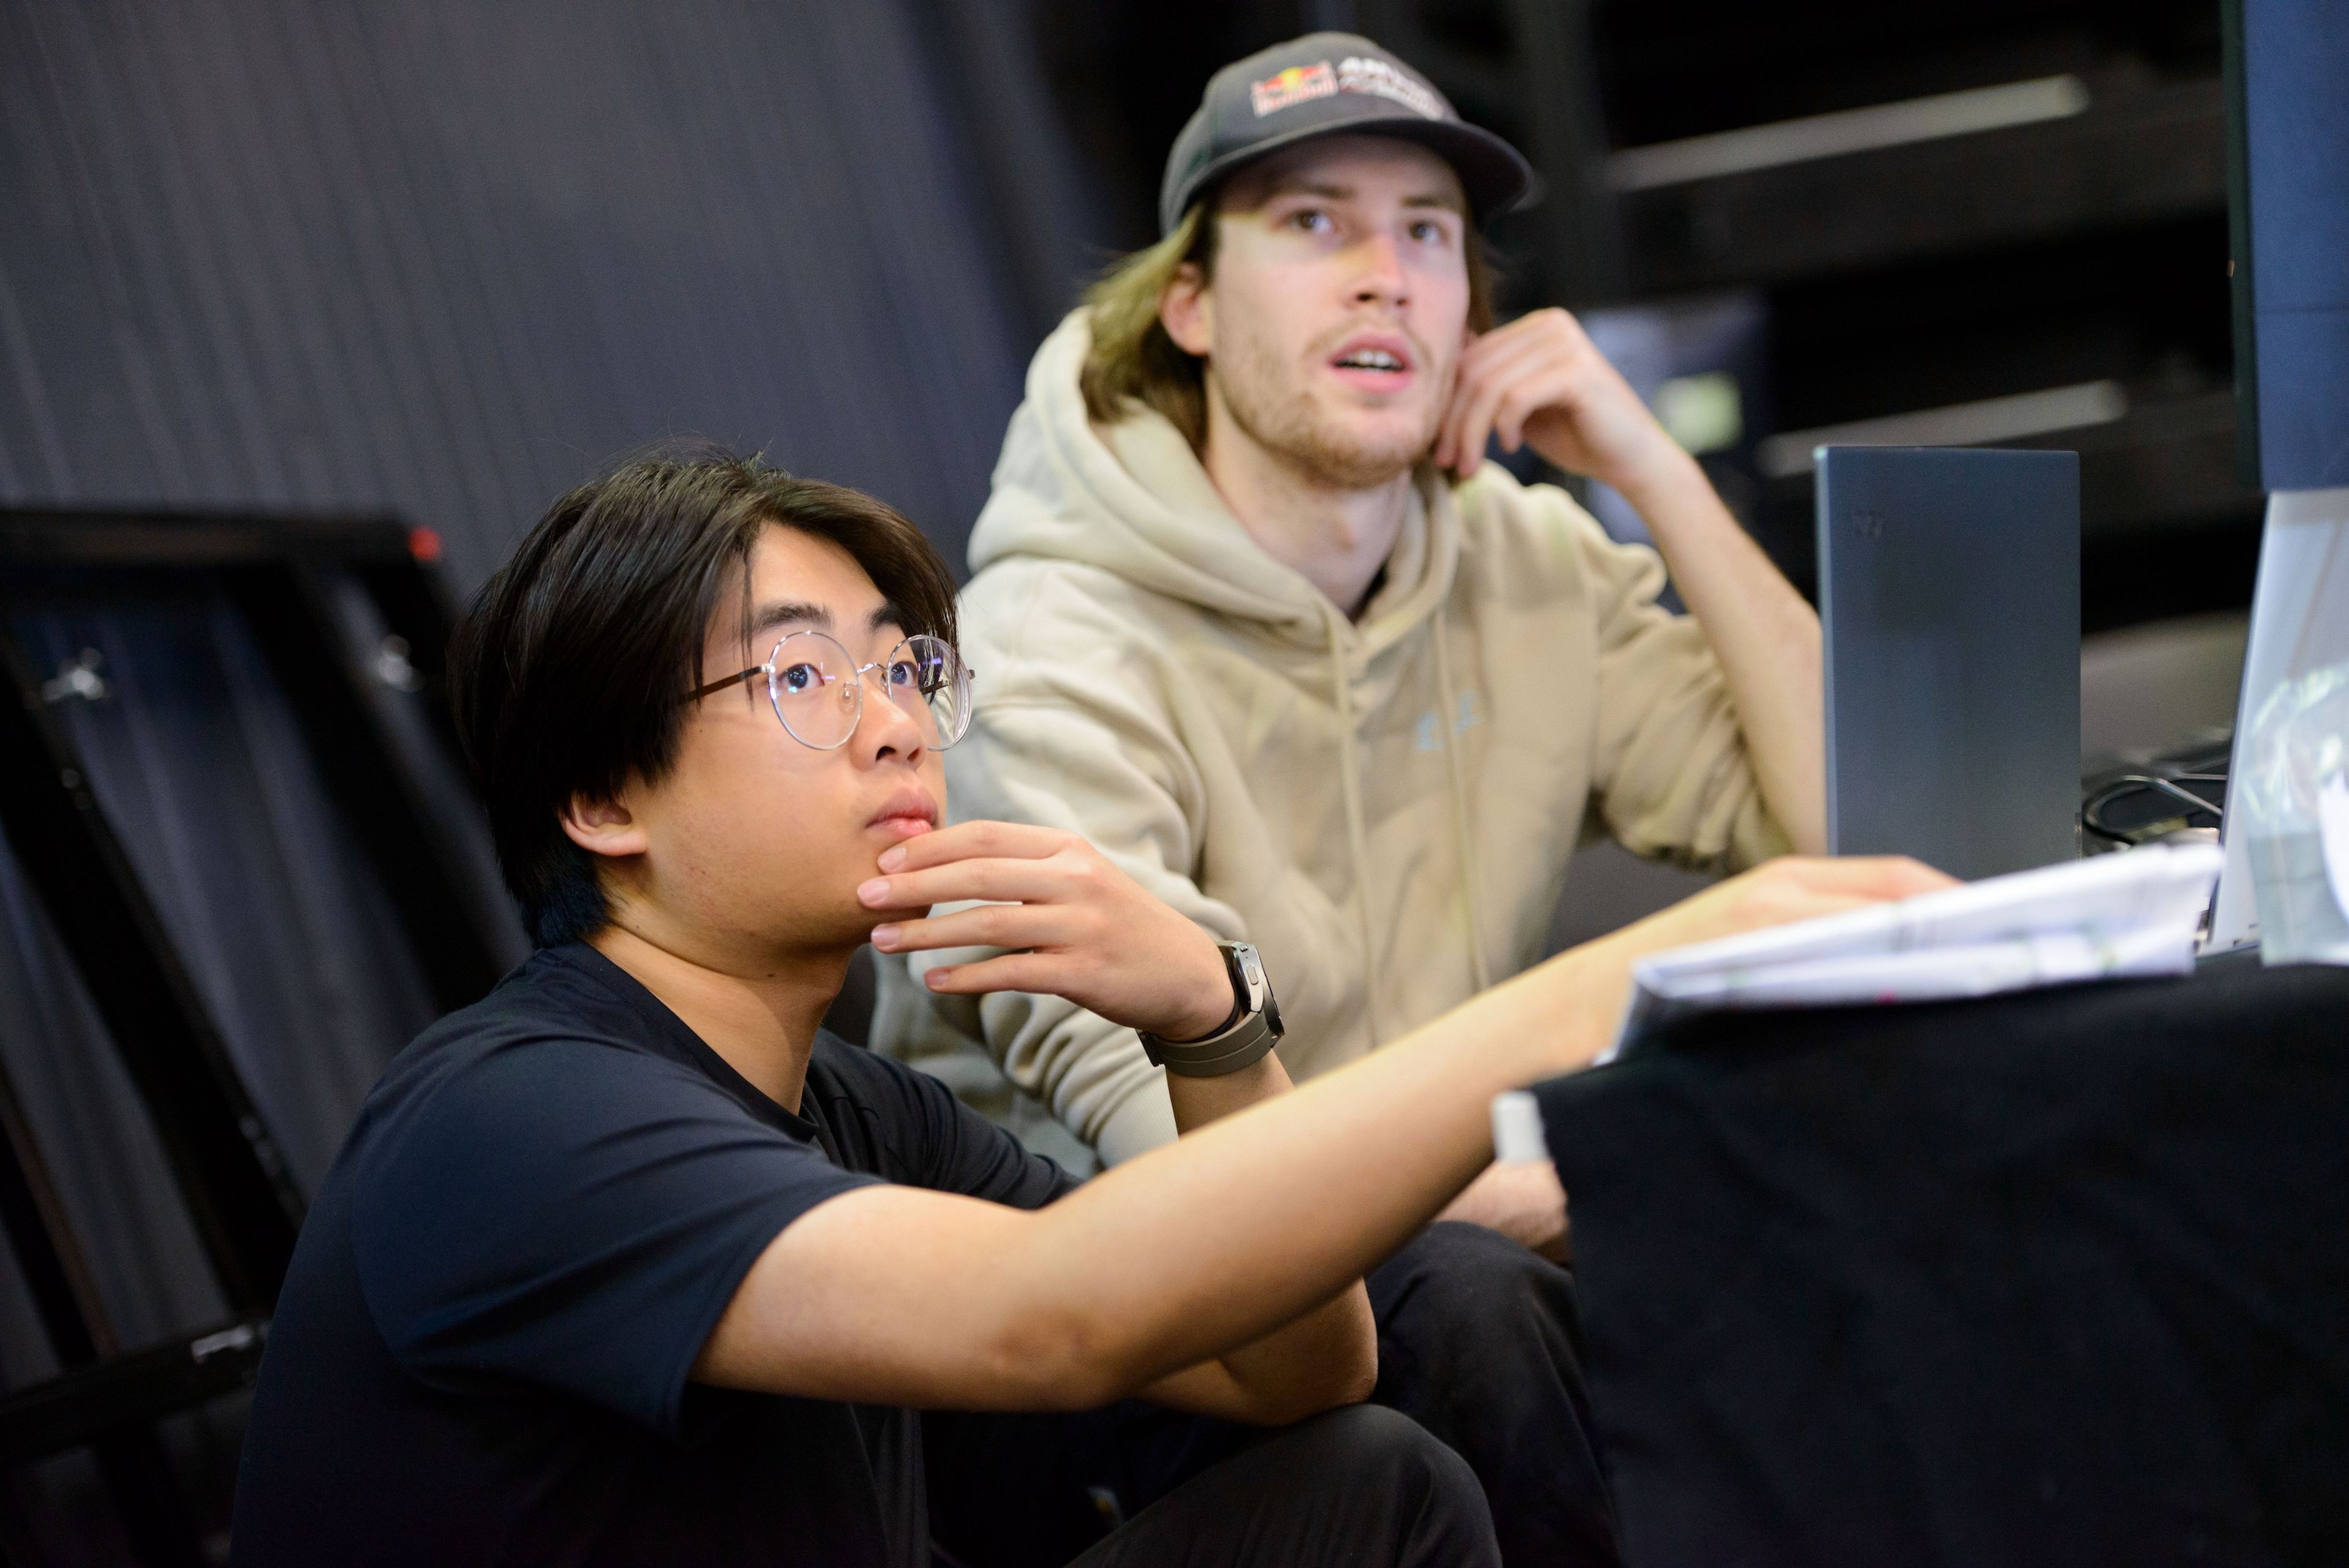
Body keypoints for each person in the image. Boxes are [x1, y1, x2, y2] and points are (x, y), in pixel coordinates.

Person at [229, 452, 1939, 1568]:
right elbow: (1052, 1314)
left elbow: (1299, 1362)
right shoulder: (513, 1116)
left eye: (907, 665)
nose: (899, 722)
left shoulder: (855, 1105)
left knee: (1371, 1478)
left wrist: (1211, 1017)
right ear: (607, 799)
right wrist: (1596, 990)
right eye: (804, 676)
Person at [871, 31, 1830, 1564]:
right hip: (1123, 1352)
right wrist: (1598, 1171)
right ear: (1188, 302)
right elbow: (1197, 1200)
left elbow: (1859, 844)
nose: (1384, 272)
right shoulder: (1047, 653)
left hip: (1449, 1238)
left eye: (1429, 233)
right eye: (1316, 223)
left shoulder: (1523, 564)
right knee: (1485, 1301)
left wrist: (1653, 471)